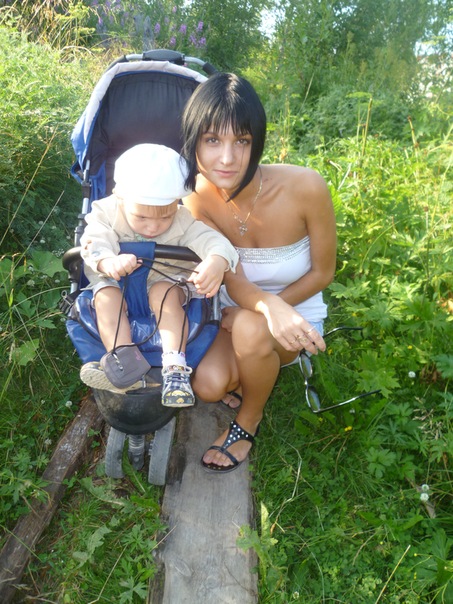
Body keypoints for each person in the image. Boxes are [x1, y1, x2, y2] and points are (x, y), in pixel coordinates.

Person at [181, 72, 337, 471]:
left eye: (241, 141)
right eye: (212, 140)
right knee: (208, 386)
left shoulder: (306, 187)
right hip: (233, 310)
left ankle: (249, 418)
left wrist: (272, 308)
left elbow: (323, 273)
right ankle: (250, 371)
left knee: (251, 329)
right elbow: (231, 279)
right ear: (193, 140)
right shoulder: (197, 199)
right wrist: (254, 308)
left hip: (295, 310)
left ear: (257, 142)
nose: (227, 158)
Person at [79, 143, 239, 408]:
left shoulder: (182, 219)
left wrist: (216, 260)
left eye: (165, 218)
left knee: (163, 292)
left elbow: (212, 240)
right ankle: (124, 362)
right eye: (141, 217)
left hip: (164, 282)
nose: (153, 227)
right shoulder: (106, 212)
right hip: (117, 281)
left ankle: (175, 368)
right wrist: (107, 260)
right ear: (120, 197)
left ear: (176, 204)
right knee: (106, 296)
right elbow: (94, 239)